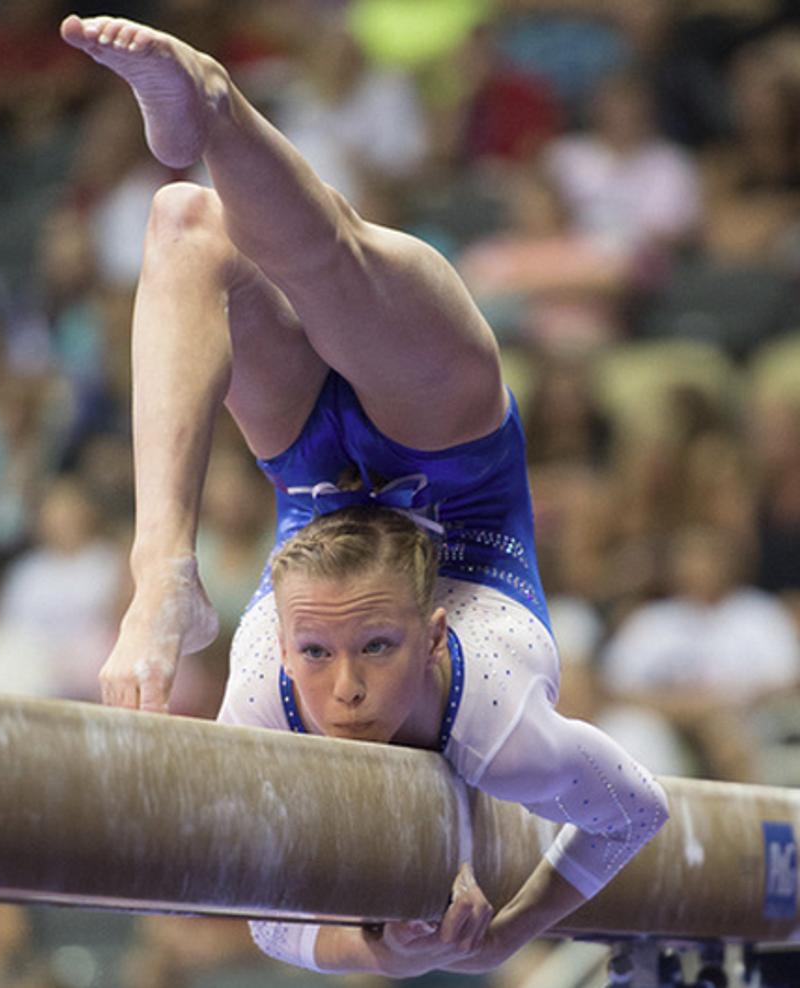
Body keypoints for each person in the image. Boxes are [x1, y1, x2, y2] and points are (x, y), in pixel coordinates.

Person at [59, 13, 669, 979]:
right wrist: (487, 938)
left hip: (312, 471)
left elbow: (262, 912)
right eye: (321, 651)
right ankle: (162, 566)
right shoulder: (476, 720)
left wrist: (399, 950)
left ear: (432, 637)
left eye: (373, 648)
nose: (342, 689)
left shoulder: (302, 700)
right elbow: (634, 812)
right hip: (452, 449)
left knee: (245, 237)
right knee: (234, 235)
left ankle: (214, 103)